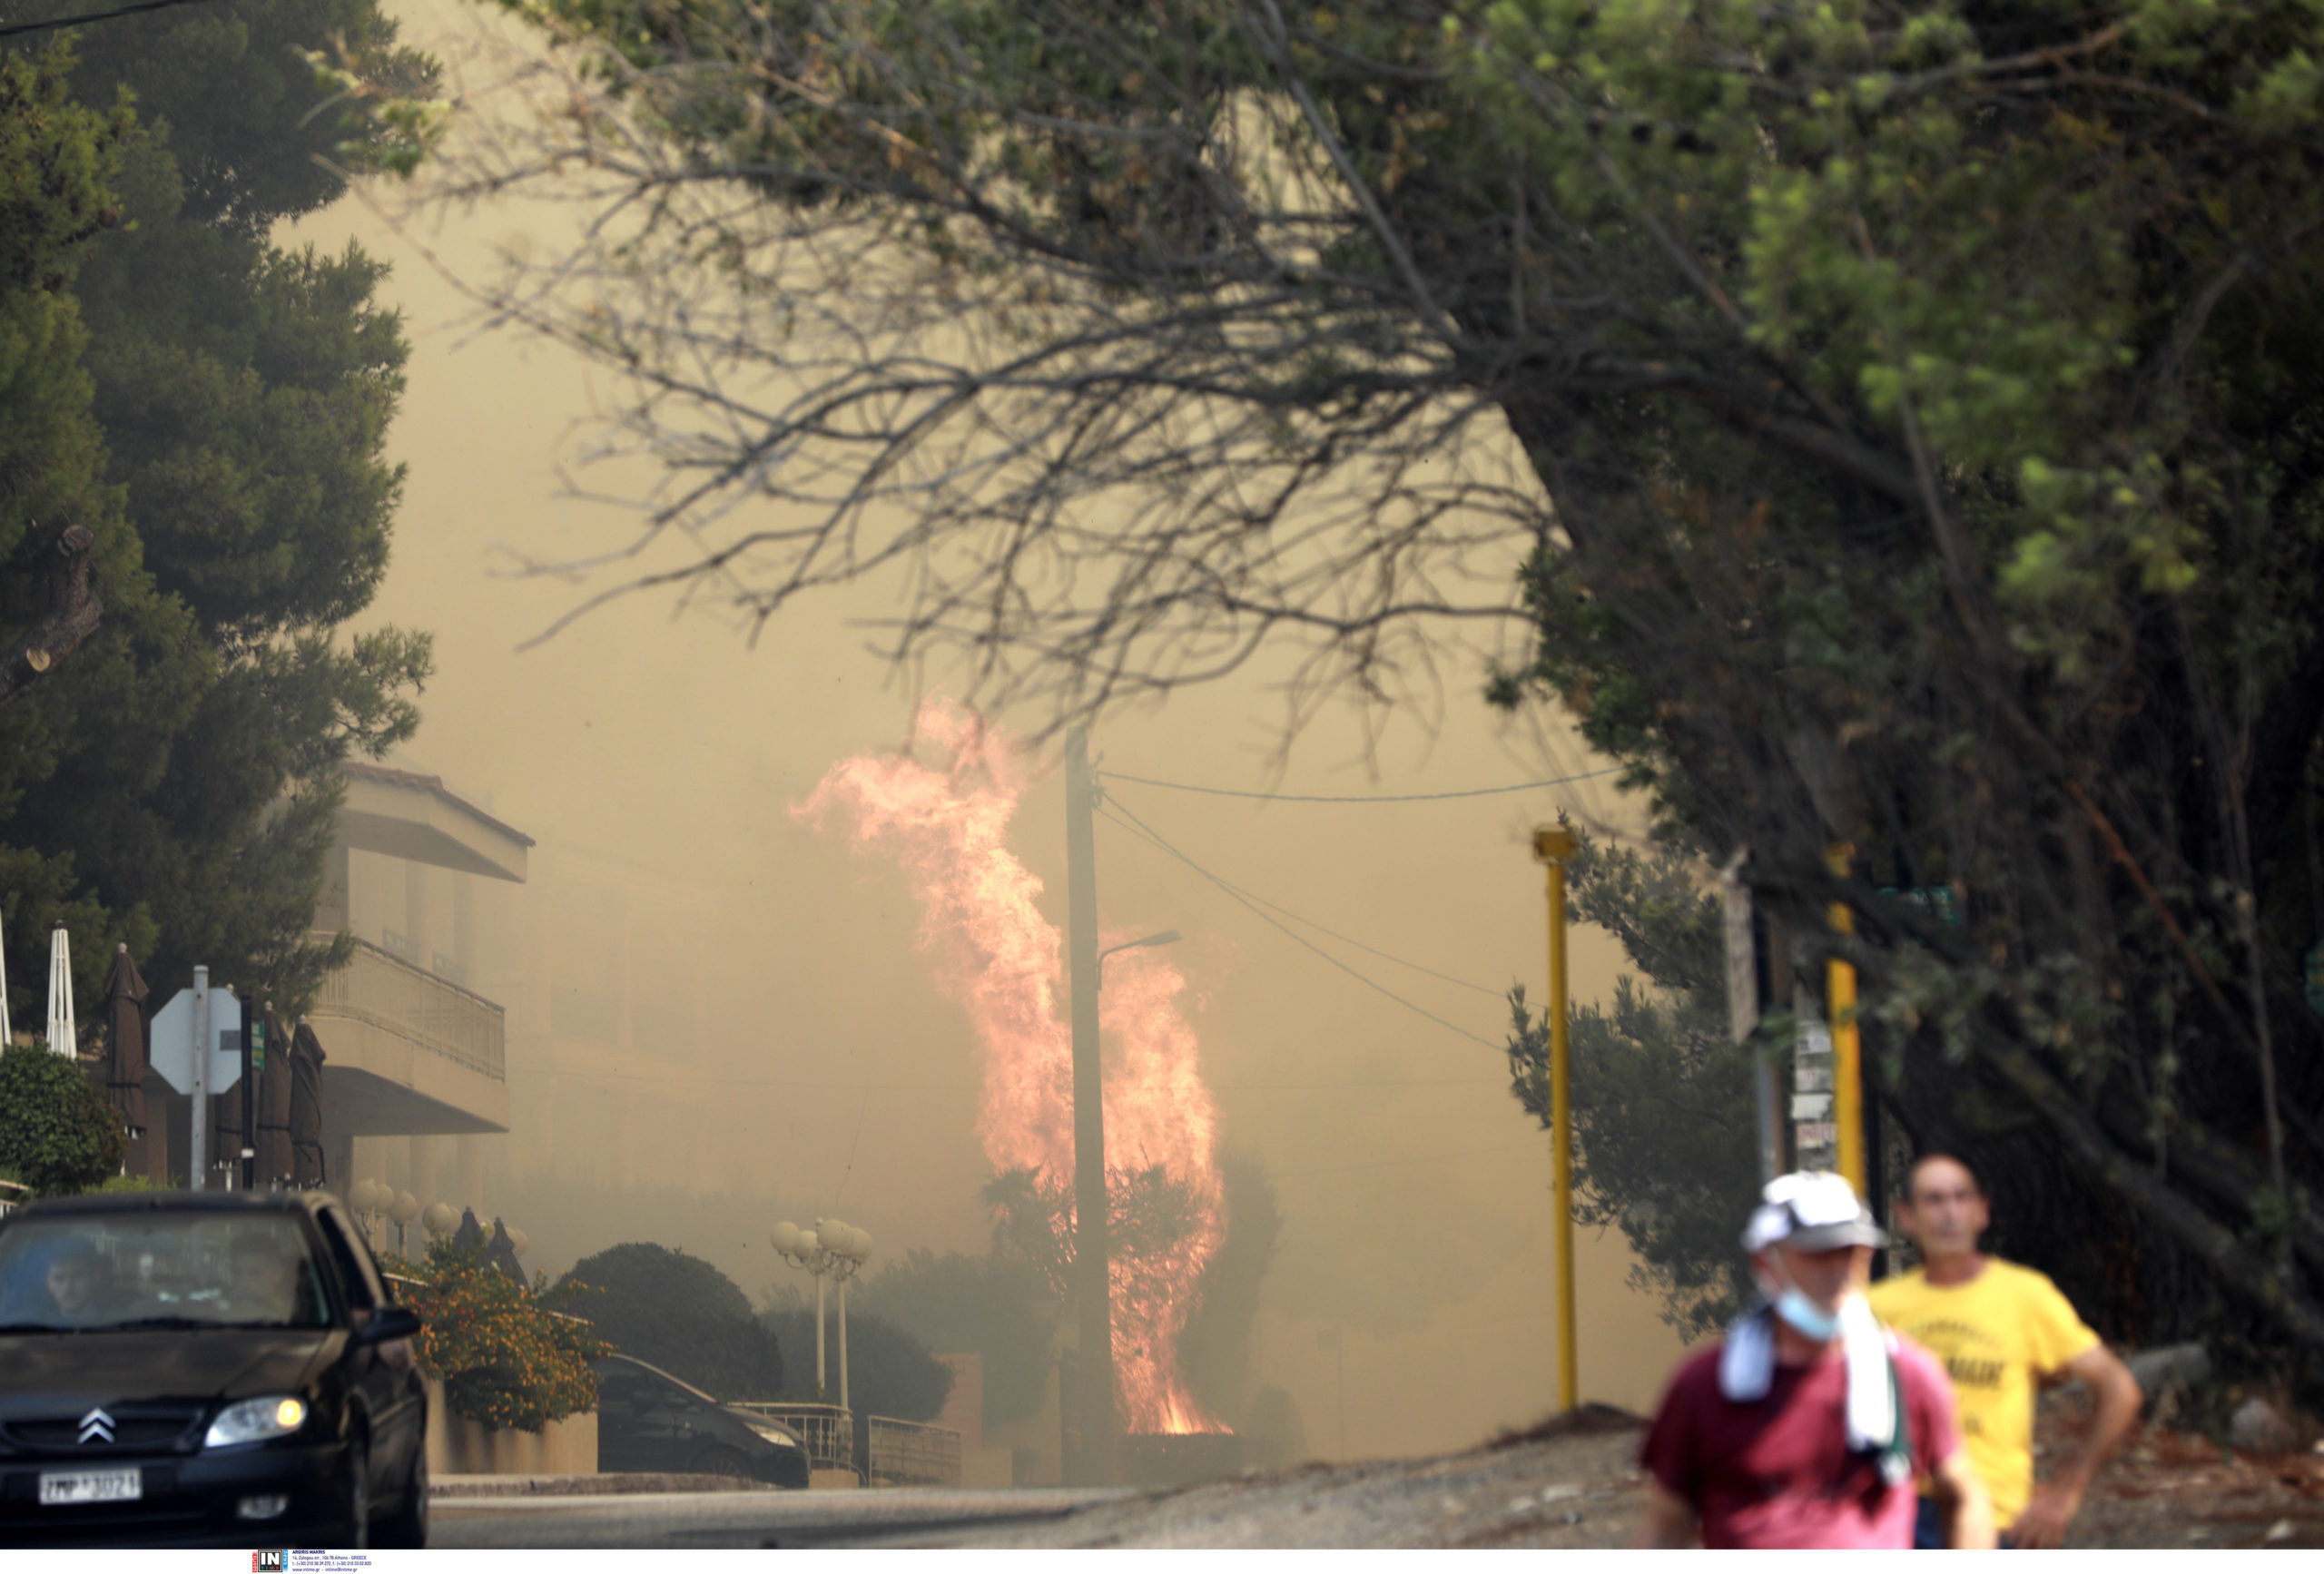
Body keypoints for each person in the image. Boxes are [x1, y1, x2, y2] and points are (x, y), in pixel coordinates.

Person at [1638, 1170, 1994, 1549]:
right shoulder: (1706, 1383)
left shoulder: (1908, 1373)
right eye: (1817, 1254)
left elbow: (1965, 1494)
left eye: (1850, 1253)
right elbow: (1667, 1520)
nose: (1838, 1270)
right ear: (1765, 1262)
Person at [1869, 1152, 2143, 1549]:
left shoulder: (2026, 1296)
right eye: (1934, 1200)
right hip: (1902, 1516)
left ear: (1982, 1212)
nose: (1950, 1213)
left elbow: (2120, 1388)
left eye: (1961, 1198)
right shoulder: (1876, 1307)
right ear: (1906, 1216)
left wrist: (2067, 1490)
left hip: (1999, 1518)